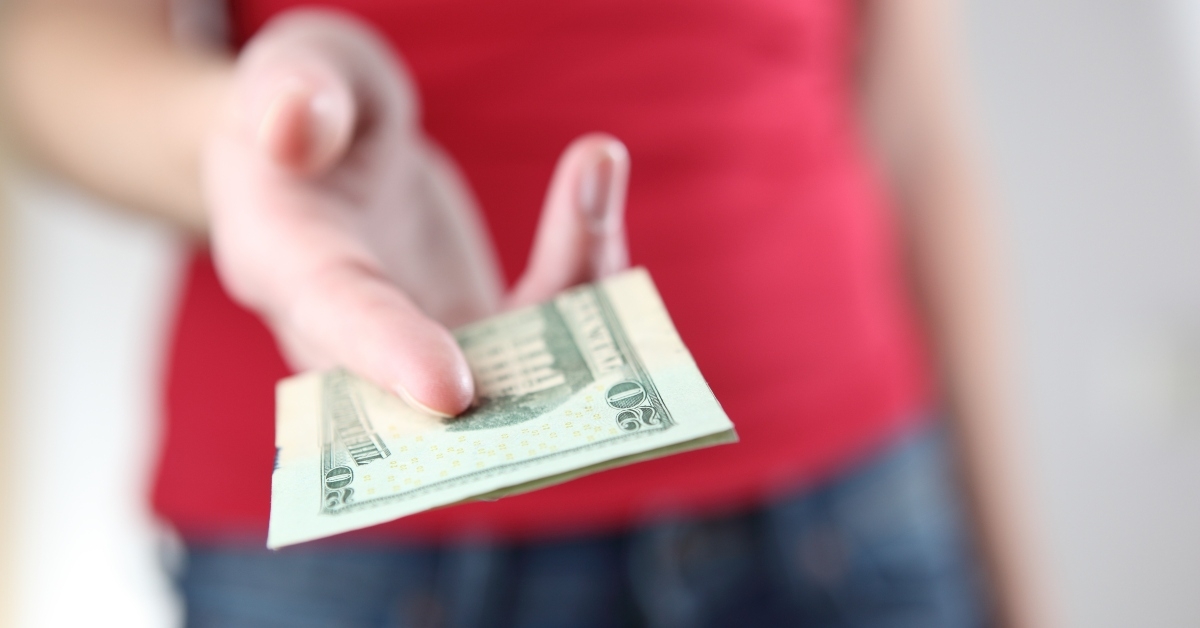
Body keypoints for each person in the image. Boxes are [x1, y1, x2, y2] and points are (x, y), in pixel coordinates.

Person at [0, 0, 1049, 626]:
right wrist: (247, 139)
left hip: (859, 507)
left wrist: (1019, 586)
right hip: (354, 556)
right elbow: (47, 48)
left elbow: (910, 122)